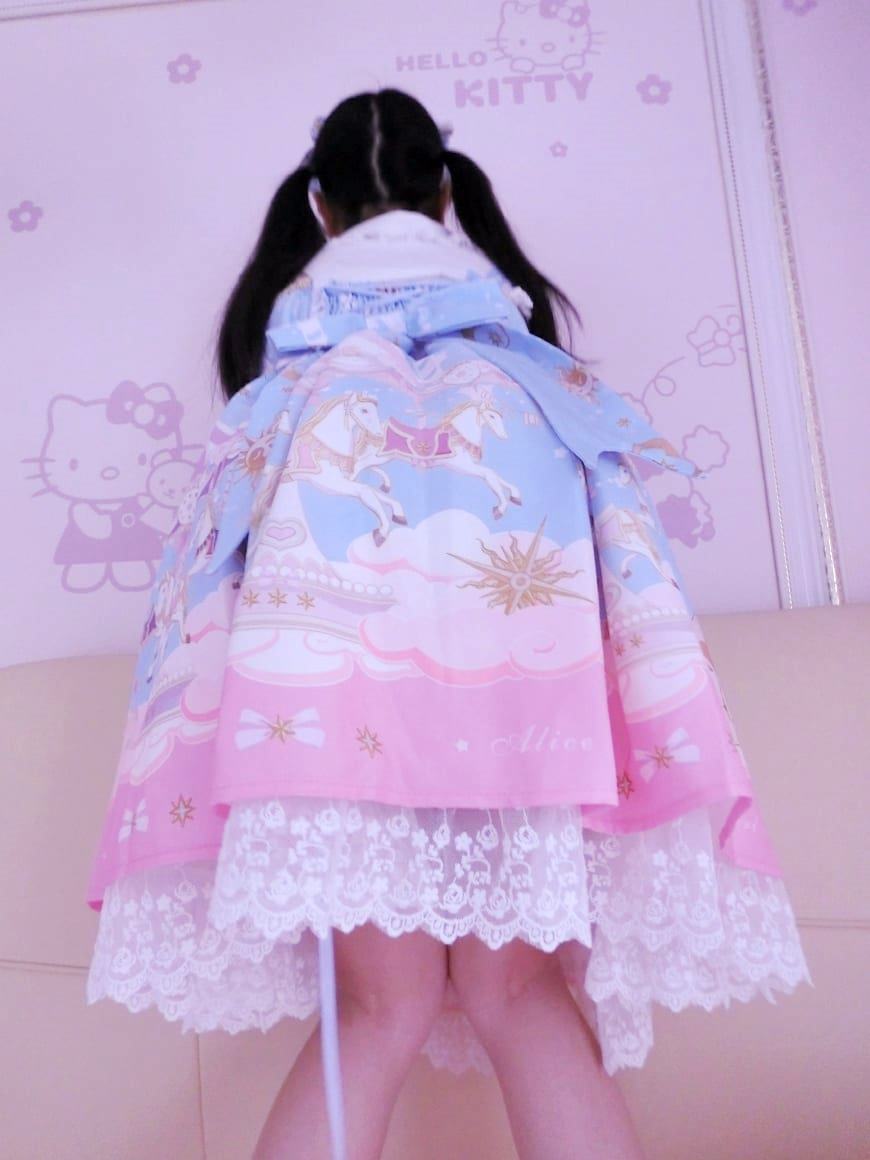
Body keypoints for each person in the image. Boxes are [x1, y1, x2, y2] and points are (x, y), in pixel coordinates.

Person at [84, 88, 812, 1160]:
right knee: (518, 993)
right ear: (446, 197)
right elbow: (621, 580)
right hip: (529, 715)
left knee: (378, 1009)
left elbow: (216, 601)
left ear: (320, 210)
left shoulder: (287, 396)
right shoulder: (532, 382)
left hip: (323, 726)